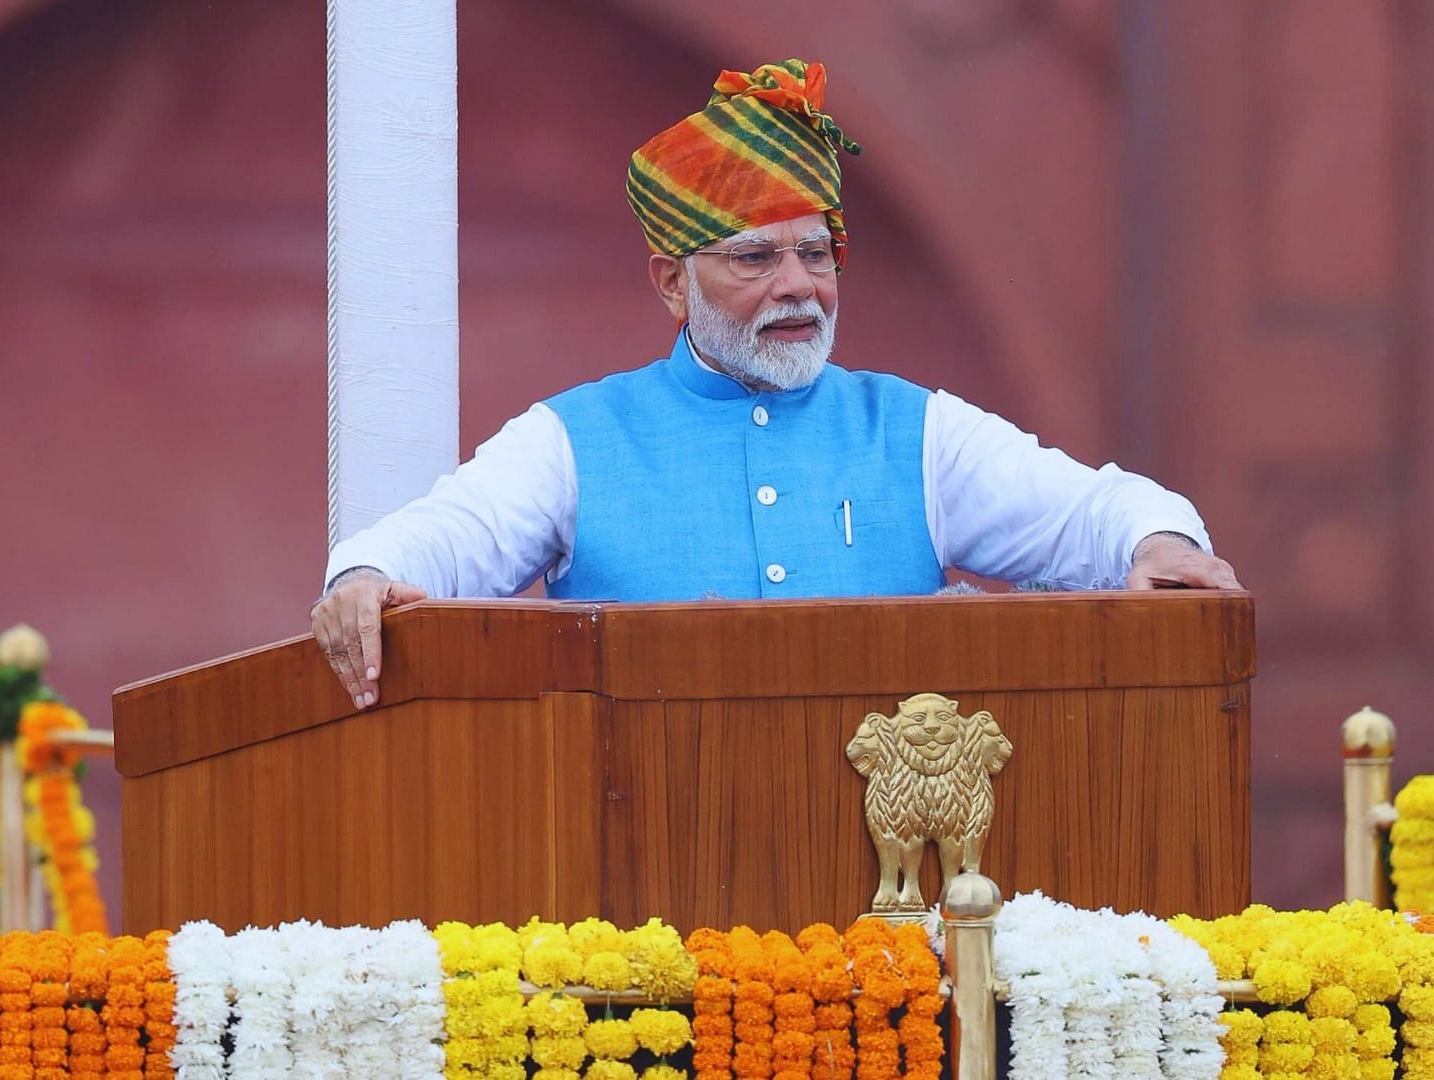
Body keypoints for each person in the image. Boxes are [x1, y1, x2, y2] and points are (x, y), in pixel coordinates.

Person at [310, 57, 1239, 710]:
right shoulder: (576, 438)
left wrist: (1155, 538)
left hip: (891, 903)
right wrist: (365, 576)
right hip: (651, 889)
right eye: (755, 257)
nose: (798, 285)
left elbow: (1095, 515)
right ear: (672, 282)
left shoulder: (911, 430)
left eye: (816, 253)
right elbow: (440, 541)